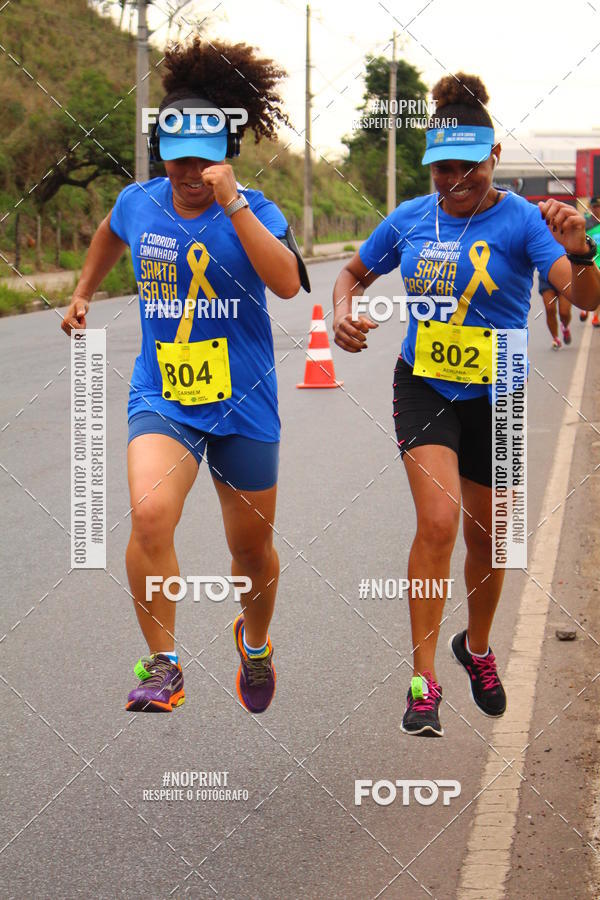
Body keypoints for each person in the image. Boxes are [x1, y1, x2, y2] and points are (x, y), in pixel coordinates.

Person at [332, 73, 600, 737]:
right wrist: (344, 309)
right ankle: (423, 681)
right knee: (439, 521)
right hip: (425, 383)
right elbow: (352, 273)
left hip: (500, 391)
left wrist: (582, 249)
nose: (454, 181)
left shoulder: (524, 222)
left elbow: (588, 298)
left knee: (491, 537)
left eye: (468, 168)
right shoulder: (408, 220)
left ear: (494, 157)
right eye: (442, 169)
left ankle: (476, 648)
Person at [61, 38, 309, 713]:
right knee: (148, 515)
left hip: (244, 401)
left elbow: (287, 285)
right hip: (164, 391)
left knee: (250, 548)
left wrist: (234, 207)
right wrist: (85, 290)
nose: (191, 171)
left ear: (228, 153)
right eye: (179, 160)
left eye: (205, 158)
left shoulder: (256, 209)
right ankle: (163, 664)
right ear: (161, 154)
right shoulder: (142, 201)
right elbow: (112, 230)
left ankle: (254, 643)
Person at [537, 272, 572, 349]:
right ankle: (555, 338)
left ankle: (565, 327)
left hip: (564, 275)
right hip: (546, 276)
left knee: (564, 312)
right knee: (549, 309)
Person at [582, 197, 600, 326]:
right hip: (590, 259)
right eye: (596, 207)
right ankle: (584, 307)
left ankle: (595, 317)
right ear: (592, 208)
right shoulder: (586, 223)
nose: (598, 209)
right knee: (588, 287)